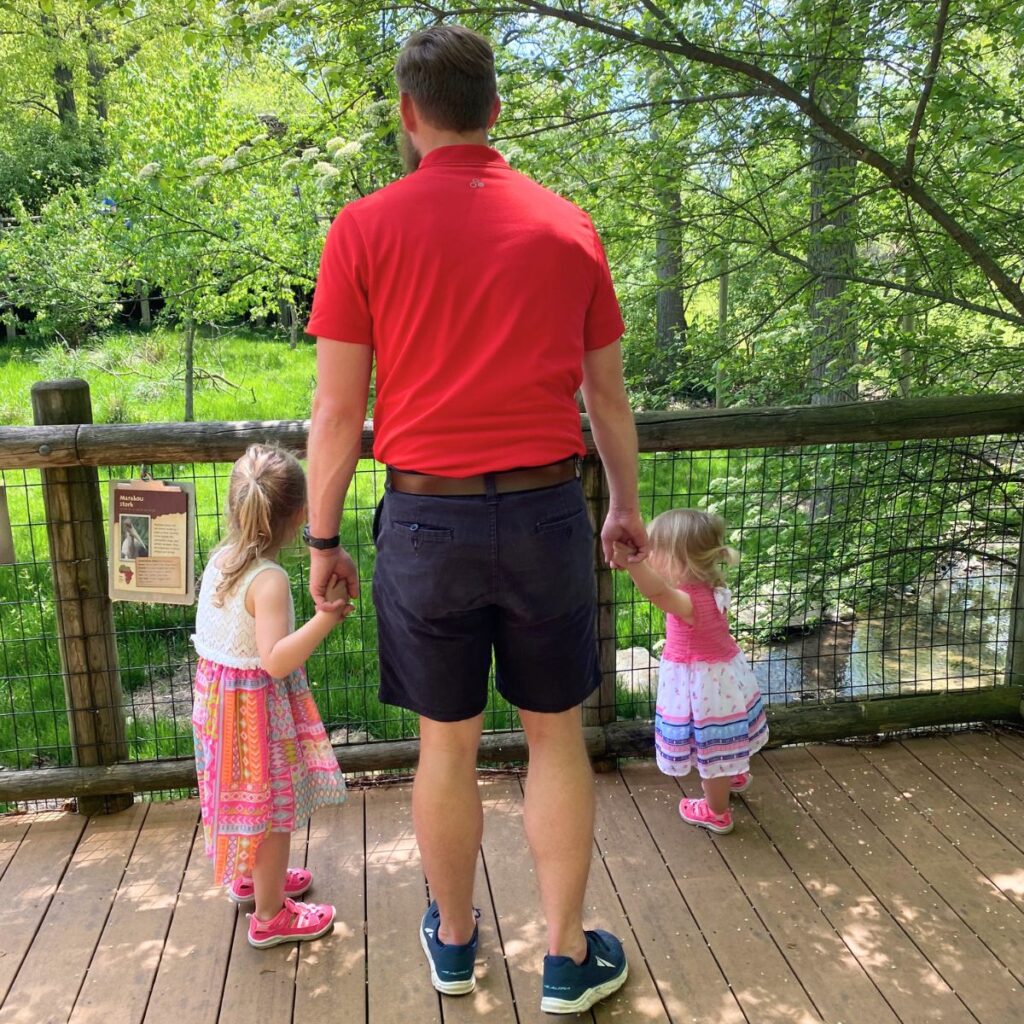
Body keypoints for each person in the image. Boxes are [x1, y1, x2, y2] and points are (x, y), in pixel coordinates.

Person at [303, 23, 645, 1015]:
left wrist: (321, 540)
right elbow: (608, 402)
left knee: (444, 746)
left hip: (424, 523)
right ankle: (567, 959)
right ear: (495, 110)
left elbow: (334, 412)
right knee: (555, 738)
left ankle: (453, 946)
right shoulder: (567, 225)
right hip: (544, 515)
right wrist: (621, 507)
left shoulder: (361, 229)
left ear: (410, 117)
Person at [190, 444, 350, 949]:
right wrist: (326, 618)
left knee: (242, 803)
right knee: (273, 812)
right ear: (301, 515)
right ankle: (270, 914)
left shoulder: (220, 560)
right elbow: (276, 659)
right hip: (254, 715)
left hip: (217, 708)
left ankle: (255, 878)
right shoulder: (269, 579)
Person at [612, 509, 768, 834]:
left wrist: (632, 563)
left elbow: (655, 591)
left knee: (710, 746)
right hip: (725, 678)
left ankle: (716, 811)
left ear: (678, 559)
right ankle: (733, 772)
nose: (650, 557)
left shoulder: (687, 600)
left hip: (703, 685)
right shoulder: (713, 587)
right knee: (726, 735)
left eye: (655, 551)